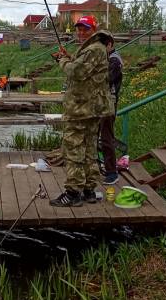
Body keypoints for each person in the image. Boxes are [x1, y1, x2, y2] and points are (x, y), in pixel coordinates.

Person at [50, 15, 114, 207]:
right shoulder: (94, 48)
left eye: (85, 28)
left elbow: (76, 72)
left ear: (93, 30)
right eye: (78, 28)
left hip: (81, 109)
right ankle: (88, 190)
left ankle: (73, 193)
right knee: (88, 150)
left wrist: (62, 60)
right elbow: (85, 69)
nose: (81, 32)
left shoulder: (94, 49)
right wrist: (70, 57)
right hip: (90, 109)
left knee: (73, 149)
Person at [99, 37, 123, 185]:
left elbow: (106, 79)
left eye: (103, 46)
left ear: (110, 45)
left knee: (107, 137)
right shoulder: (107, 58)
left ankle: (112, 172)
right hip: (100, 102)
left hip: (109, 102)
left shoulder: (114, 60)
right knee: (100, 136)